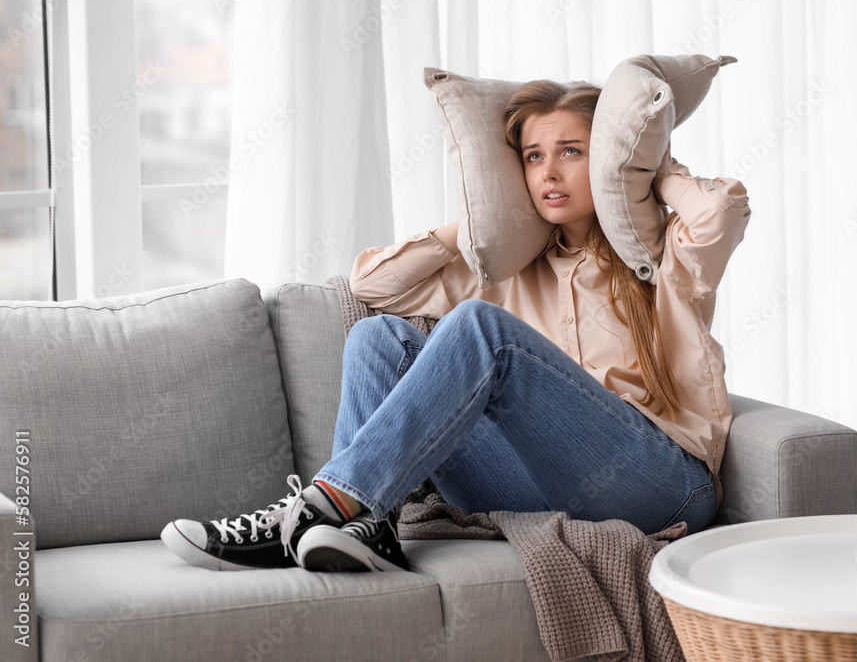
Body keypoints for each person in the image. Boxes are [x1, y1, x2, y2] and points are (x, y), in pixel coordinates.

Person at [161, 79, 751, 573]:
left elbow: (720, 209)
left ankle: (318, 507)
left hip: (659, 486)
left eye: (572, 151)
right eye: (534, 156)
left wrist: (642, 165)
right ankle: (369, 526)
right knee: (376, 338)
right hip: (534, 489)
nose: (550, 171)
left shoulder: (665, 253)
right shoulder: (504, 264)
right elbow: (371, 288)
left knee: (479, 327)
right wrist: (470, 226)